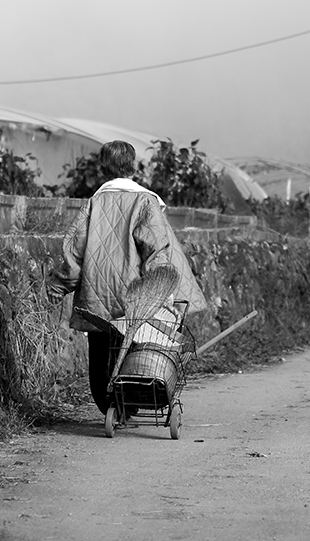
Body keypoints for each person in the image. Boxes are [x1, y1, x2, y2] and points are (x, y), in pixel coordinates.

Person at [47, 139, 205, 414]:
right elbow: (157, 249)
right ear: (133, 167)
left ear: (102, 168)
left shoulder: (95, 202)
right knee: (134, 349)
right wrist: (162, 290)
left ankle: (108, 406)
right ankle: (129, 403)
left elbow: (75, 252)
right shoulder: (145, 201)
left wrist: (58, 286)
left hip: (97, 292)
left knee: (100, 352)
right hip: (135, 294)